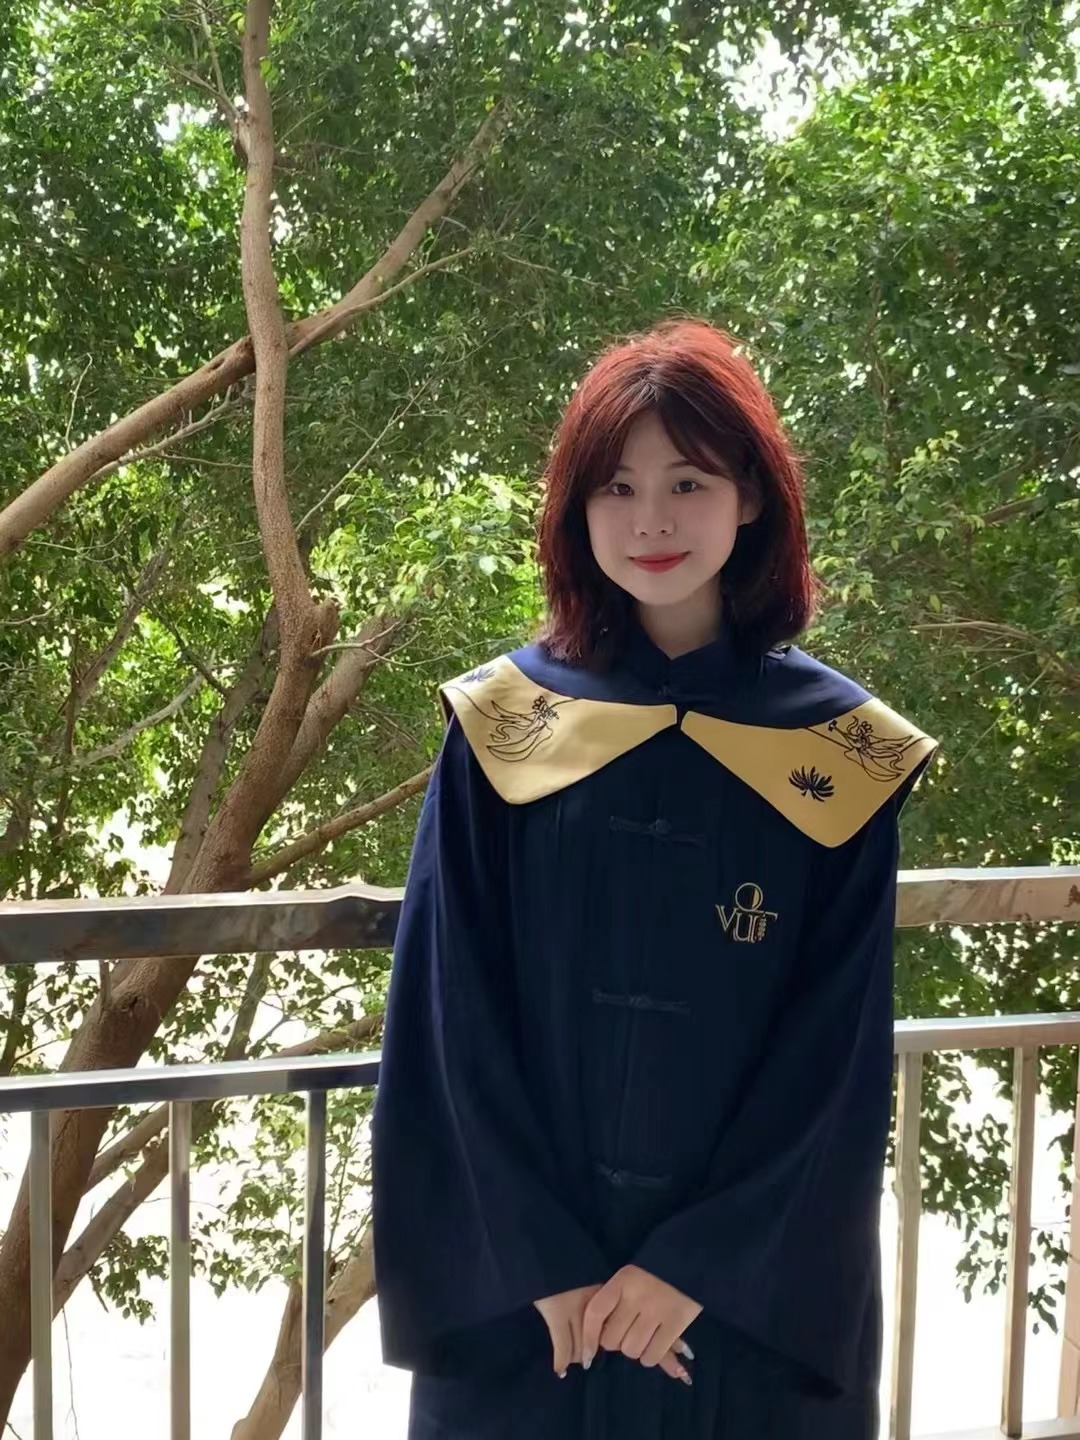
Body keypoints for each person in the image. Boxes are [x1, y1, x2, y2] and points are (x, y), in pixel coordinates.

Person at [370, 315, 940, 1439]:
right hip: (536, 1312)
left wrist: (697, 1266)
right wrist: (541, 1263)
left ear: (752, 496)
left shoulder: (841, 751)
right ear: (577, 511)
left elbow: (835, 1053)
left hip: (739, 1313)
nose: (652, 521)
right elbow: (445, 1015)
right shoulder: (505, 724)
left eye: (689, 482)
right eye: (617, 488)